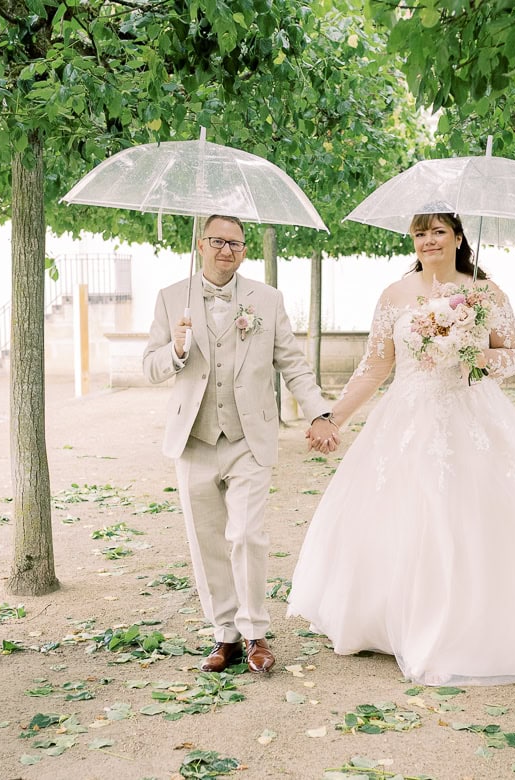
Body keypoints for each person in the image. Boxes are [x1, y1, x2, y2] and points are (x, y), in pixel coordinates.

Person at [287, 212, 515, 686]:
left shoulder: (485, 292)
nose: (429, 241)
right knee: (406, 515)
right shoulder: (395, 295)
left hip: (472, 415)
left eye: (438, 231)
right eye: (420, 233)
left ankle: (479, 625)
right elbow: (375, 367)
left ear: (458, 237)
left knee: (475, 518)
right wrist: (334, 417)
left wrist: (476, 358)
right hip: (407, 419)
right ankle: (397, 620)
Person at [143, 214, 339, 675]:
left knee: (246, 534)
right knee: (206, 539)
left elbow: (292, 363)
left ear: (245, 250)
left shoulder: (266, 300)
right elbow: (148, 367)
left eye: (236, 243)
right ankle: (224, 635)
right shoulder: (172, 298)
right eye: (217, 241)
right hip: (193, 438)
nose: (226, 250)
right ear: (200, 244)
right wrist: (174, 348)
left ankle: (255, 633)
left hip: (249, 437)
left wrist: (319, 412)